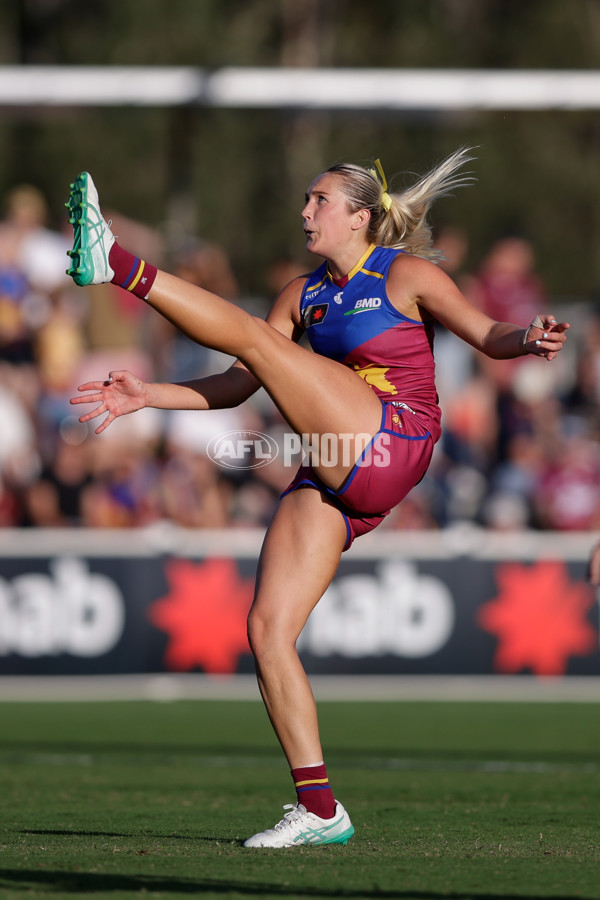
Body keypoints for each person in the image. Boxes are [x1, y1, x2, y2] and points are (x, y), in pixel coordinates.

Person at [65, 149, 569, 848]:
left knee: (258, 344)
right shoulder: (302, 296)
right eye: (305, 201)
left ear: (361, 216)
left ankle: (115, 264)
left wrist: (529, 338)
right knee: (267, 630)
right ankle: (320, 810)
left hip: (396, 438)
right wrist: (148, 395)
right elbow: (239, 384)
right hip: (338, 464)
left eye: (319, 201)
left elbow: (487, 334)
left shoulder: (407, 274)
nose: (305, 212)